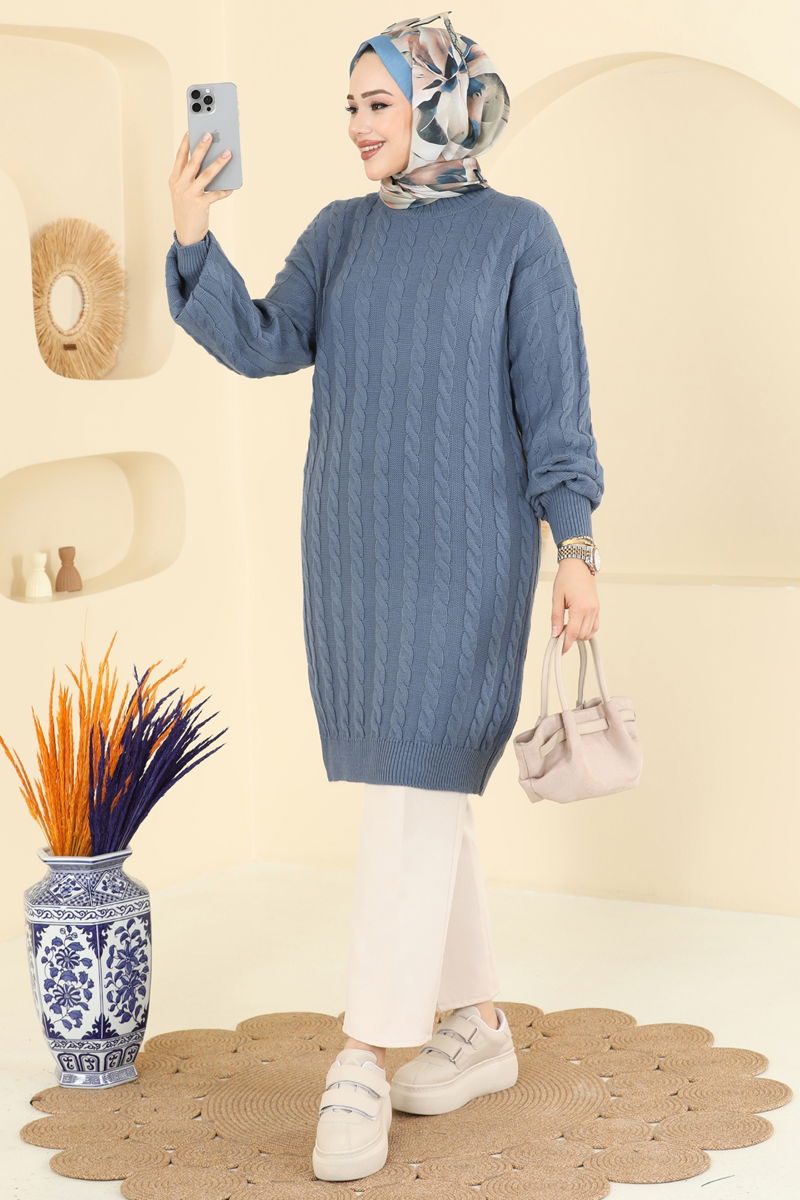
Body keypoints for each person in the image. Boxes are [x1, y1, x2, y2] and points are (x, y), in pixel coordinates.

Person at [166, 9, 604, 1183]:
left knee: (412, 788)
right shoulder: (338, 234)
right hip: (356, 562)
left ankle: (364, 1052)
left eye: (377, 104)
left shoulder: (518, 236)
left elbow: (554, 406)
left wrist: (574, 546)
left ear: (442, 104)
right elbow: (263, 342)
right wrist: (195, 233)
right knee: (421, 787)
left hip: (468, 562)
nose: (357, 127)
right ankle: (478, 1027)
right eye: (349, 108)